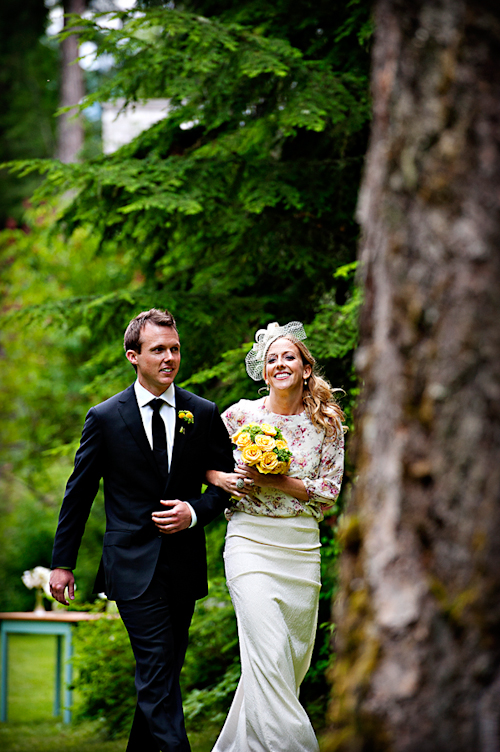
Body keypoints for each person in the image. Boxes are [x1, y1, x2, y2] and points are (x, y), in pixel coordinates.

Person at [49, 308, 234, 752]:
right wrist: (62, 563)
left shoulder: (202, 413)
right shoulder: (106, 417)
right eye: (158, 350)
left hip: (183, 565)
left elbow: (228, 484)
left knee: (163, 676)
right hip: (131, 565)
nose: (169, 358)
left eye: (174, 349)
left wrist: (193, 511)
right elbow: (79, 493)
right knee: (156, 673)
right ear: (134, 356)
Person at [207, 321, 345, 752]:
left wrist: (277, 478)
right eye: (272, 359)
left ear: (306, 368)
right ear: (263, 371)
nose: (280, 363)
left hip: (301, 549)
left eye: (289, 357)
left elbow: (328, 494)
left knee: (283, 669)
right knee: (268, 652)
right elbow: (199, 466)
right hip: (249, 542)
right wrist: (225, 478)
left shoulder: (327, 424)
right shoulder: (238, 415)